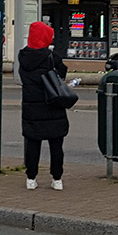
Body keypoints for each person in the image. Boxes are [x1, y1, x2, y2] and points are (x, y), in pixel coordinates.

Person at [17, 21, 69, 191]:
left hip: (31, 107)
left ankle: (31, 178)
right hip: (53, 104)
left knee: (32, 143)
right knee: (56, 145)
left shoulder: (23, 57)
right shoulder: (52, 57)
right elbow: (62, 73)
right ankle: (57, 179)